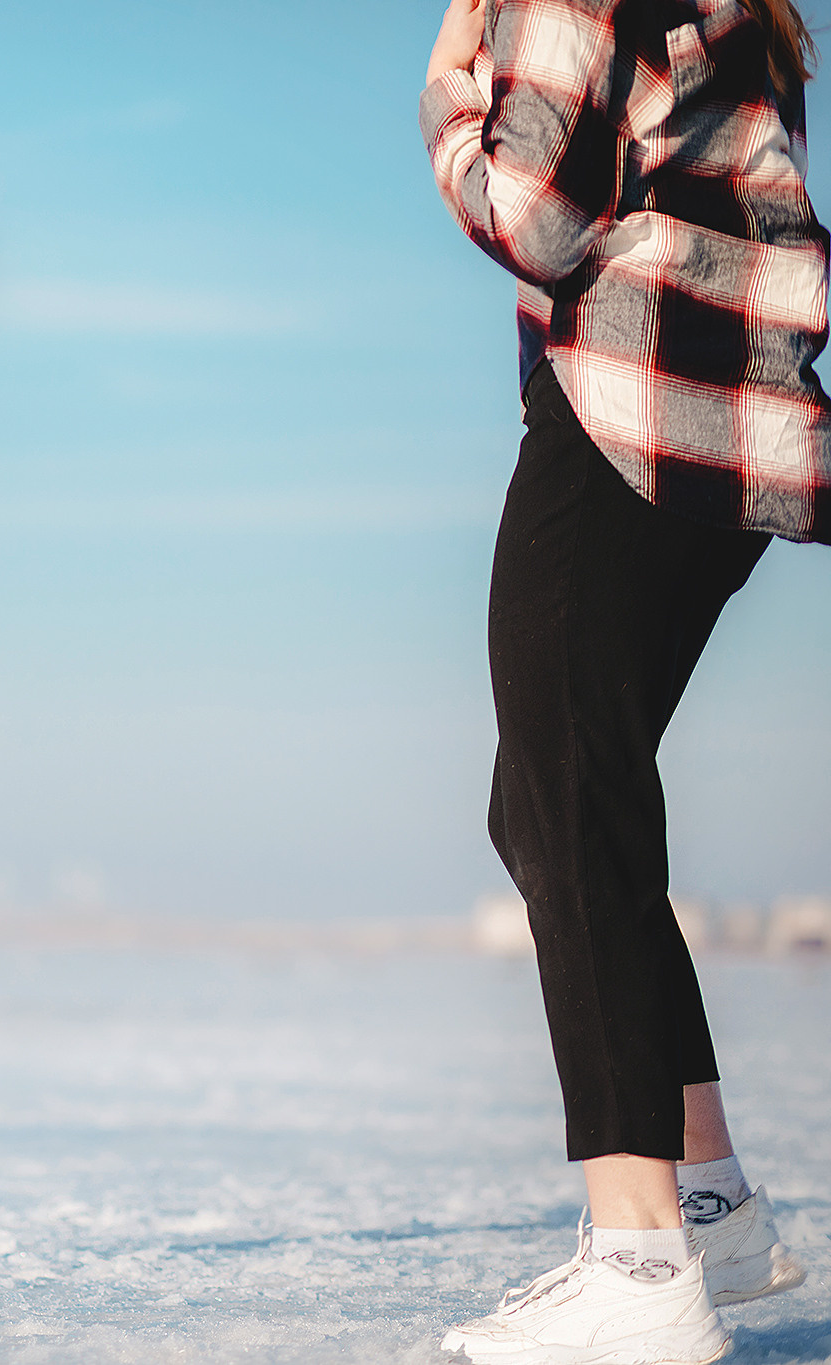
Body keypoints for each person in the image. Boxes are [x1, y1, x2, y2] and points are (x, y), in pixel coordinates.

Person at [419, 0, 824, 1359]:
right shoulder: (744, 13)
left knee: (570, 799)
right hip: (735, 448)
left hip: (621, 420)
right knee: (551, 806)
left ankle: (643, 1259)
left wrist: (445, 92)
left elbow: (529, 211)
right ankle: (708, 1199)